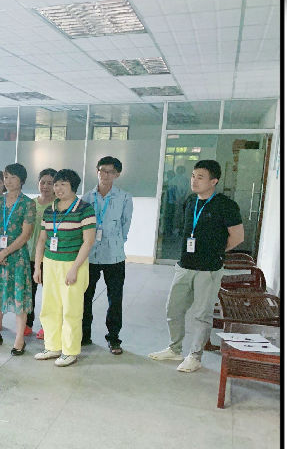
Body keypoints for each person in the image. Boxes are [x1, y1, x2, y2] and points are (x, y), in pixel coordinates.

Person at [149, 159, 244, 373]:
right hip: (185, 265)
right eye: (193, 176)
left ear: (214, 181)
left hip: (208, 269)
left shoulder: (226, 205)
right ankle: (174, 349)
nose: (194, 180)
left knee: (202, 315)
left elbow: (238, 237)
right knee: (173, 309)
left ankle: (195, 356)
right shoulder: (191, 201)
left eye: (200, 177)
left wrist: (216, 251)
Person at [33, 169, 95, 367]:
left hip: (73, 263)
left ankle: (70, 351)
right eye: (56, 184)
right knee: (49, 307)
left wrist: (74, 268)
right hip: (51, 263)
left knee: (71, 309)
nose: (58, 188)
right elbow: (42, 240)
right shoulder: (49, 210)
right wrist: (38, 267)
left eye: (63, 185)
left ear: (73, 187)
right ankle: (52, 346)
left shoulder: (85, 209)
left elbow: (88, 242)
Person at [81, 156, 134, 355]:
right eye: (102, 170)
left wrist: (117, 242)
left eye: (110, 172)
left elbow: (125, 224)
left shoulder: (124, 197)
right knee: (85, 296)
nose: (105, 175)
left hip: (114, 256)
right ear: (97, 171)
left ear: (117, 174)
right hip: (90, 255)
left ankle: (113, 338)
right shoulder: (87, 198)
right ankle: (84, 335)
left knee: (115, 298)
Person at [0, 163, 36, 354]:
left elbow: (26, 235)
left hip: (17, 258)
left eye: (13, 177)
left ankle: (19, 339)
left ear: (22, 180)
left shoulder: (28, 203)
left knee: (19, 298)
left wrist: (3, 253)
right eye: (6, 177)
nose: (8, 181)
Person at [26, 168, 57, 339]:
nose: (45, 186)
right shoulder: (31, 204)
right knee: (29, 293)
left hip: (49, 257)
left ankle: (46, 326)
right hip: (29, 255)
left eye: (50, 183)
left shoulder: (58, 205)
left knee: (49, 295)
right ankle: (27, 324)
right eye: (42, 182)